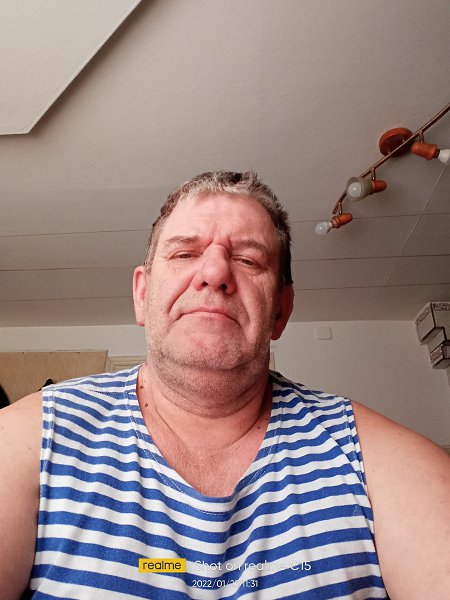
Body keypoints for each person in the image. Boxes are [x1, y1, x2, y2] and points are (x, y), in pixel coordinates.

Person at [0, 171, 449, 599]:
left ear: (281, 310)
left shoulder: (375, 459)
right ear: (142, 294)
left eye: (249, 259)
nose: (214, 273)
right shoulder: (33, 436)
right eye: (184, 254)